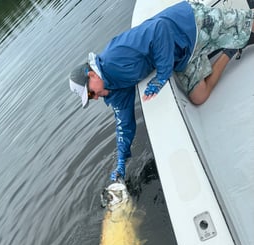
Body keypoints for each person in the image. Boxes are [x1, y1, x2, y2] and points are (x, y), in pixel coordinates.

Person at [69, 1, 254, 181]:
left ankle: (243, 32)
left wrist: (162, 76)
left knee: (249, 23)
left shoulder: (115, 55)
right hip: (180, 54)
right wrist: (121, 163)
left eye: (91, 93)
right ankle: (235, 47)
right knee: (199, 96)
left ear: (91, 74)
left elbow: (160, 27)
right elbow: (123, 125)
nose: (94, 98)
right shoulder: (112, 89)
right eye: (90, 98)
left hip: (189, 23)